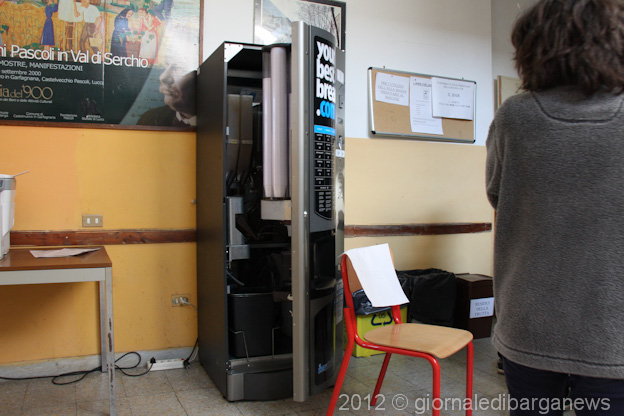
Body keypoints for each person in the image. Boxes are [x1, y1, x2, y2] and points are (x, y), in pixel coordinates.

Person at [486, 1, 624, 415]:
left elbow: (498, 195)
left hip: (528, 321)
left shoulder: (514, 116)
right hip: (613, 329)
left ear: (533, 46)